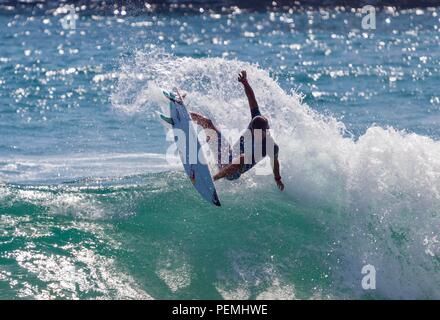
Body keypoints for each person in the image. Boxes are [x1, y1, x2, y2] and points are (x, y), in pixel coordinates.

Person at [190, 70, 284, 191]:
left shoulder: (270, 146)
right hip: (225, 155)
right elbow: (252, 99)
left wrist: (277, 178)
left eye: (257, 134)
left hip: (232, 174)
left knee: (243, 157)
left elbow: (275, 161)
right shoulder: (256, 120)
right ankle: (183, 113)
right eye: (252, 131)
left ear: (266, 131)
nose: (254, 134)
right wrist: (245, 82)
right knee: (207, 123)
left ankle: (212, 179)